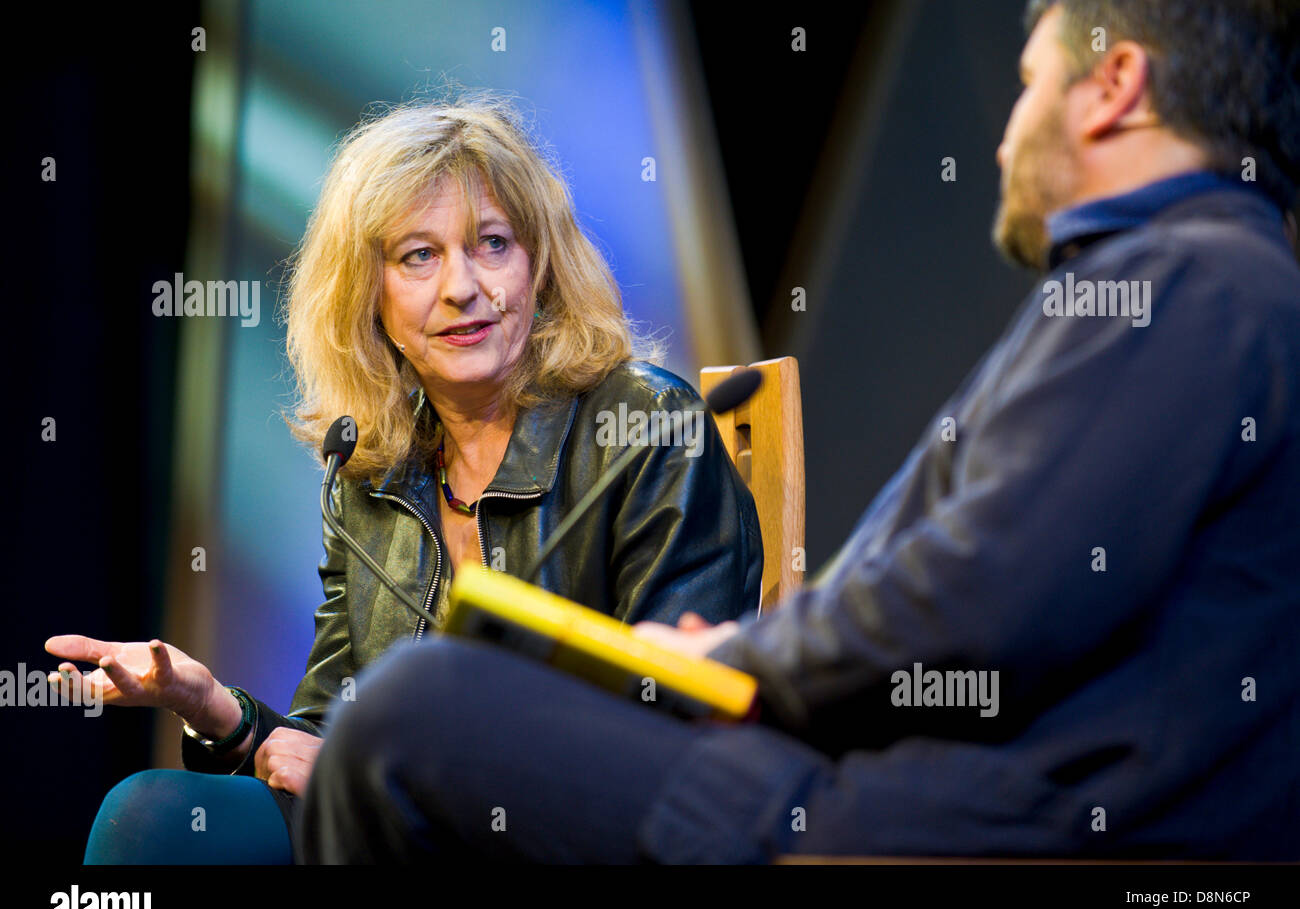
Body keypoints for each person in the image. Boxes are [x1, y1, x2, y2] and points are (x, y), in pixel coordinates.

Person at [298, 0, 1300, 863]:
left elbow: (980, 596)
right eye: (417, 258)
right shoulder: (1195, 282)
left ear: (1115, 85)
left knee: (410, 712)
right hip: (919, 788)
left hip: (951, 819)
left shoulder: (1184, 284)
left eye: (1030, 83)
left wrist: (742, 653)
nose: (1003, 138)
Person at [45, 94, 762, 864]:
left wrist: (407, 776)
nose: (462, 286)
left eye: (493, 243)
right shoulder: (376, 469)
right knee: (150, 815)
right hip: (403, 827)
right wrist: (218, 710)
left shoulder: (643, 426)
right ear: (369, 295)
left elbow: (677, 718)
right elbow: (326, 734)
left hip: (575, 833)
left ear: (540, 265)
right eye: (419, 255)